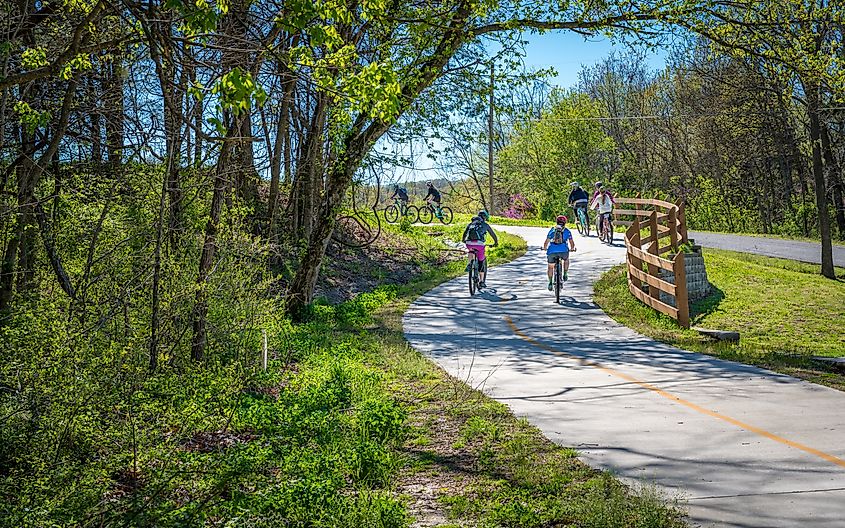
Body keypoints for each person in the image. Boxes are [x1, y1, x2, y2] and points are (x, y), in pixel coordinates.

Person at [462, 210, 498, 288]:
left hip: (469, 243)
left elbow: (465, 233)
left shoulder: (471, 224)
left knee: (471, 251)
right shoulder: (485, 225)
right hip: (479, 245)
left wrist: (463, 240)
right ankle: (481, 281)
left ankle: (469, 264)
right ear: (484, 218)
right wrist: (496, 243)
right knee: (481, 261)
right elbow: (493, 235)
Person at [543, 215, 576, 290]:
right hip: (564, 251)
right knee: (566, 260)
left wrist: (545, 248)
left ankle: (550, 283)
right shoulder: (567, 231)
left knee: (550, 266)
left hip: (552, 251)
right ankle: (565, 274)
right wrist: (572, 248)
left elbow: (546, 242)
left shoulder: (552, 230)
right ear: (565, 223)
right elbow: (571, 242)